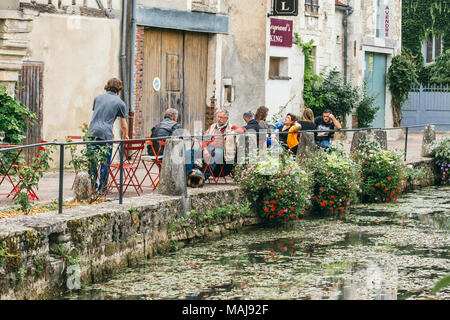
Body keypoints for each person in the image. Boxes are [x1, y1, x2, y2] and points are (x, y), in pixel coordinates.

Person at [87, 77, 128, 193]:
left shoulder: (97, 98)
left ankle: (92, 186)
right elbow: (124, 125)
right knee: (105, 162)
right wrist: (125, 135)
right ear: (119, 89)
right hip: (105, 135)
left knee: (92, 161)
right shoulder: (120, 103)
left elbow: (98, 116)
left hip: (91, 132)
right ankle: (102, 188)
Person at [185, 109, 244, 187]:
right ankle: (187, 176)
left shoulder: (231, 127)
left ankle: (200, 179)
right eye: (218, 117)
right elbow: (204, 139)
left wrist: (232, 133)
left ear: (227, 118)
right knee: (189, 152)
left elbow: (243, 129)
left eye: (222, 117)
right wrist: (204, 149)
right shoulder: (212, 127)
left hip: (221, 152)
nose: (219, 119)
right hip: (208, 149)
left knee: (215, 153)